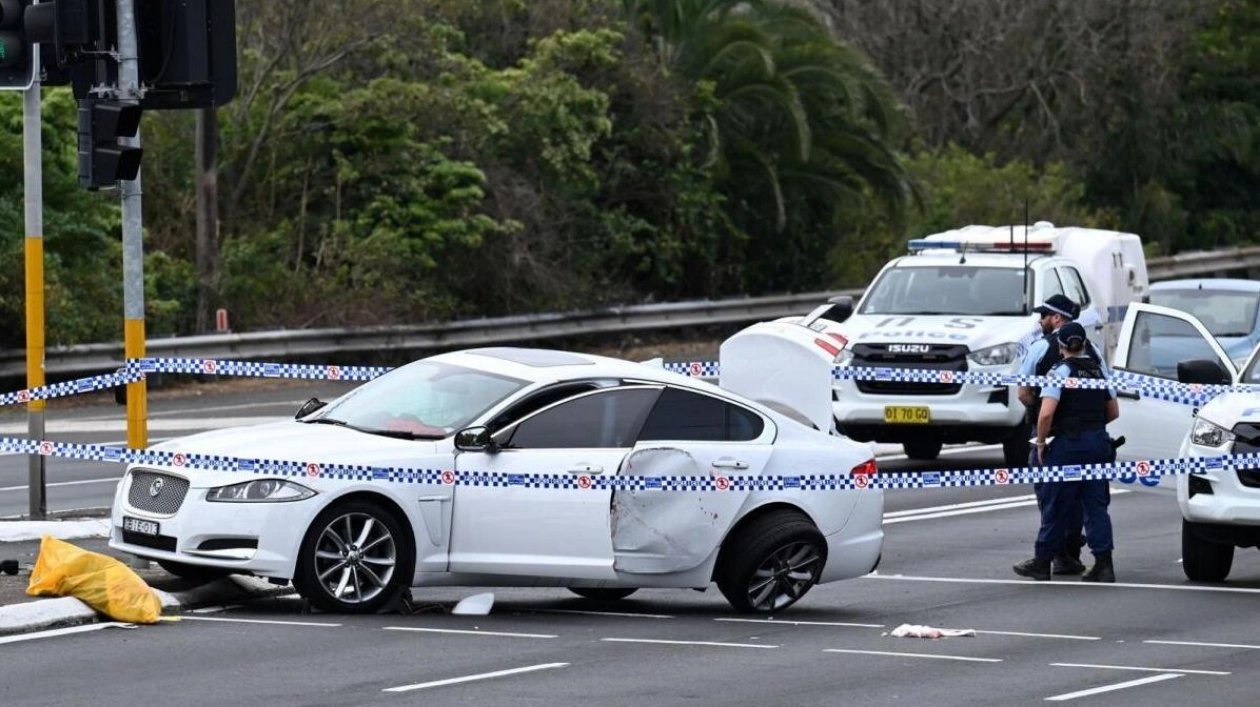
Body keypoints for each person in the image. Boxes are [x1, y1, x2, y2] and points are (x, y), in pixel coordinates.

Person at [1013, 322, 1119, 582]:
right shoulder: (1097, 372)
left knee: (1056, 503)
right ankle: (1104, 564)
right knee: (1095, 506)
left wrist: (1040, 443)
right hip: (1097, 443)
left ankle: (1043, 561)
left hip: (1068, 446)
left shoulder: (1059, 372)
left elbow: (1047, 412)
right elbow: (1114, 411)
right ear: (1084, 345)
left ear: (1061, 346)